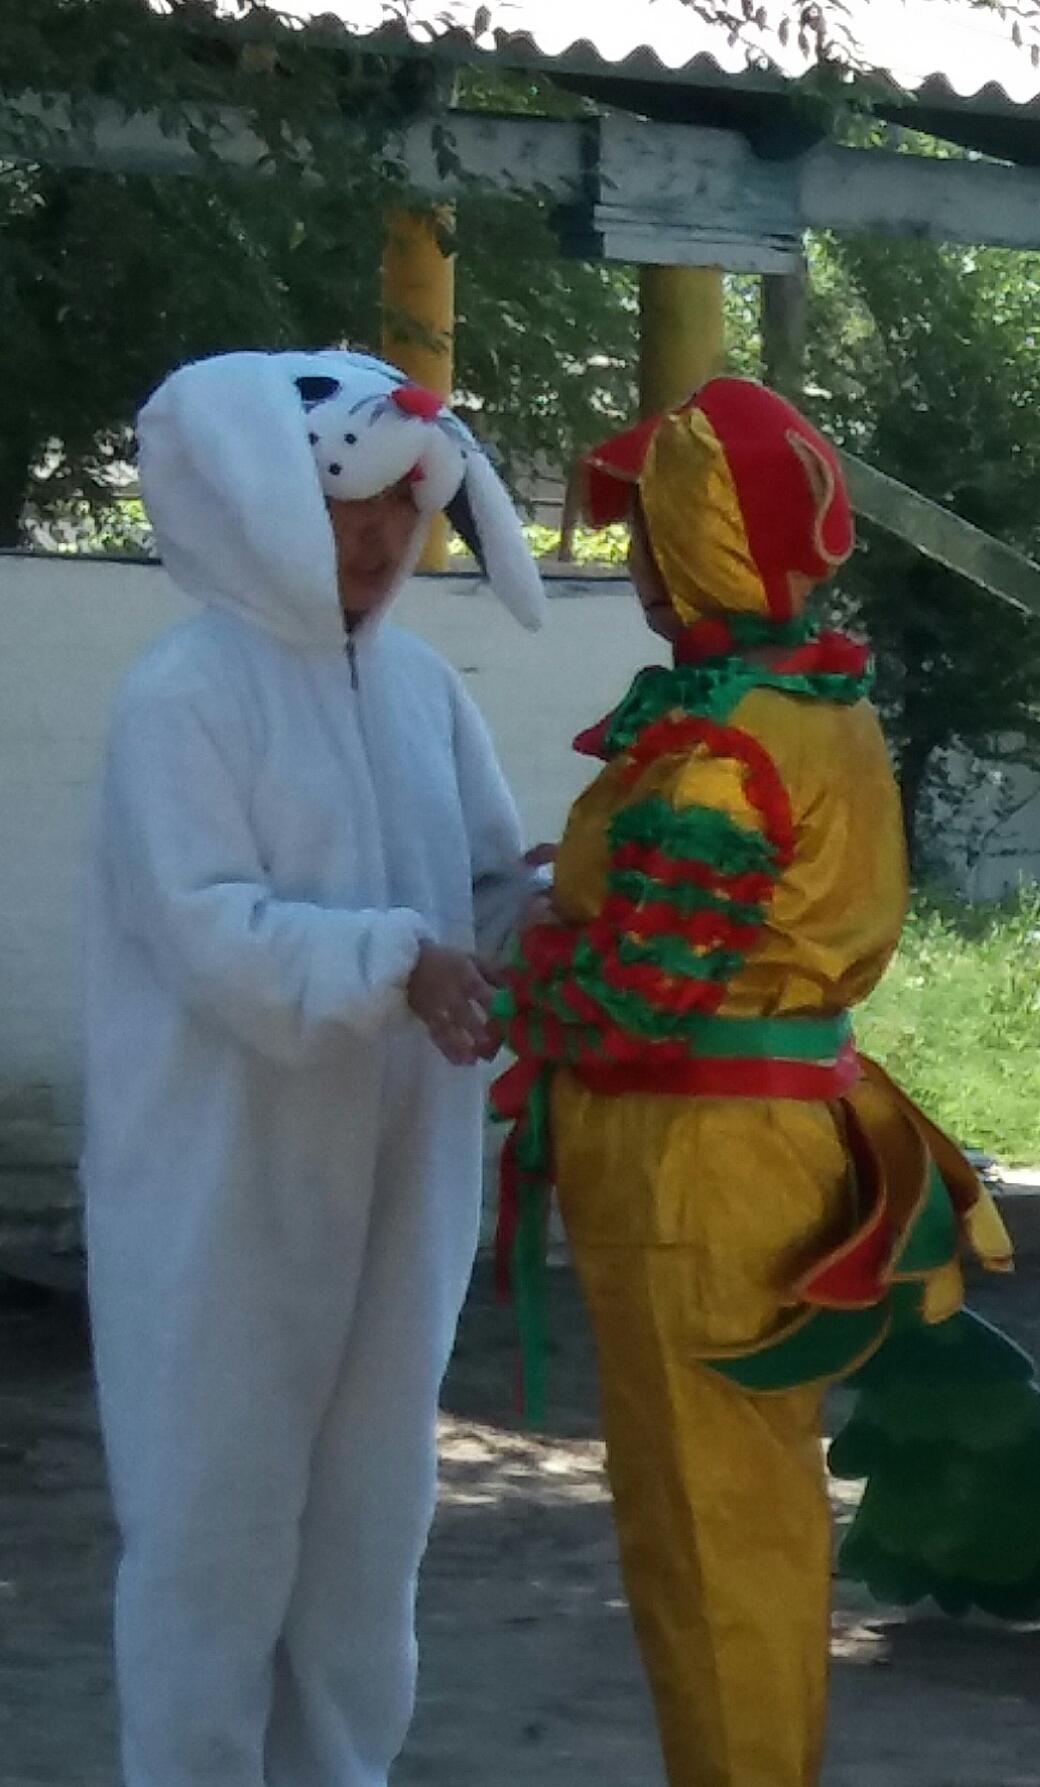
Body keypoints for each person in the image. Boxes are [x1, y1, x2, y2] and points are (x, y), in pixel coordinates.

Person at [495, 377, 1011, 1787]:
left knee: (705, 1519)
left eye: (648, 529)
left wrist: (504, 971)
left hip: (694, 1162)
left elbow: (638, 992)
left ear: (690, 547)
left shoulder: (715, 747)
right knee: (745, 1505)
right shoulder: (818, 710)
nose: (634, 560)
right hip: (769, 1138)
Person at [82, 349, 547, 1787]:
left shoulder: (422, 689)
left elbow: (481, 887)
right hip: (220, 1189)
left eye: (407, 511)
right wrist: (397, 963)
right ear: (257, 502)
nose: (381, 539)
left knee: (367, 1533)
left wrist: (554, 907)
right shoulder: (184, 694)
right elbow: (208, 931)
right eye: (350, 507)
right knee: (211, 1531)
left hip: (405, 1184)